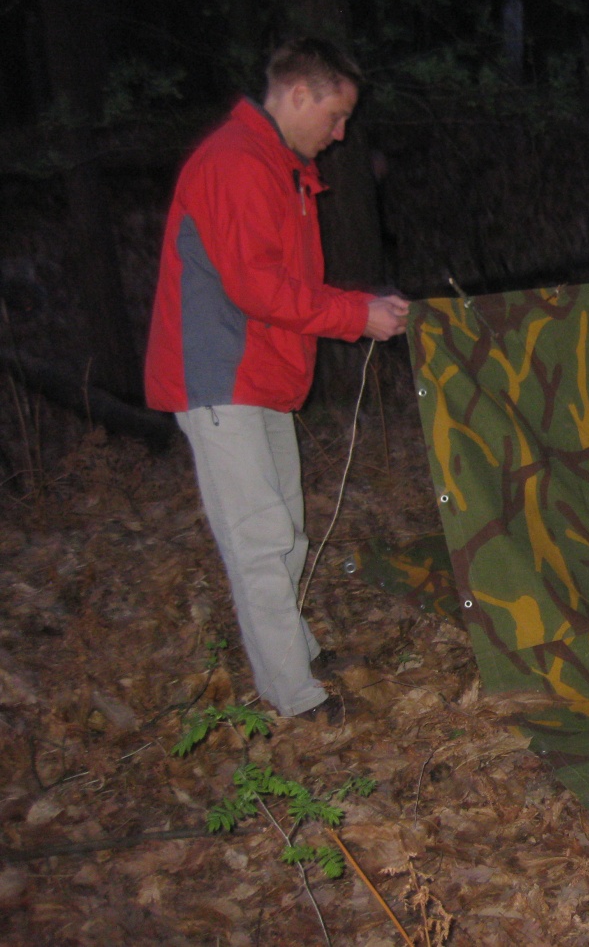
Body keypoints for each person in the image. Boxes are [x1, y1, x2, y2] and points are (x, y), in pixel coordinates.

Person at [144, 38, 409, 719]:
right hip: (219, 378)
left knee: (286, 528)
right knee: (259, 538)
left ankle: (297, 653)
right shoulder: (236, 162)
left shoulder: (281, 168)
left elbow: (288, 286)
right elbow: (257, 287)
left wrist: (362, 307)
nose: (341, 133)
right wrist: (357, 316)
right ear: (297, 95)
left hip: (260, 375)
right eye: (336, 115)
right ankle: (294, 696)